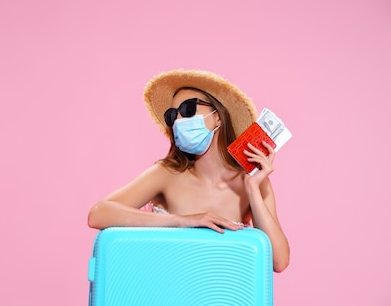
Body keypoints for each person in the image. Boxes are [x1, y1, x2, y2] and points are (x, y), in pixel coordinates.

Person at [87, 69, 290, 273]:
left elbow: (278, 261)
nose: (178, 121)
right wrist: (182, 220)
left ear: (218, 117)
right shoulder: (166, 174)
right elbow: (98, 214)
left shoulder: (253, 182)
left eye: (189, 108)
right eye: (172, 115)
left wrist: (253, 189)